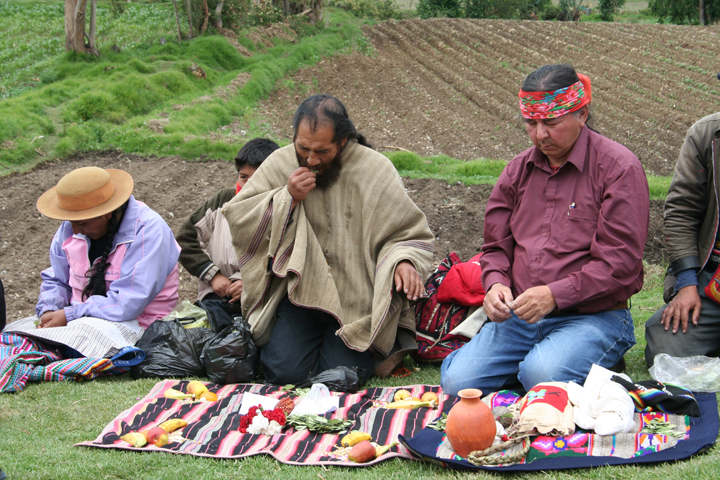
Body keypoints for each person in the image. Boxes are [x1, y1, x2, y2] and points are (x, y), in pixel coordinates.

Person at [441, 64, 650, 396]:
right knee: (457, 382)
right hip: (521, 317)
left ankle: (573, 361)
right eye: (531, 123)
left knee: (541, 373)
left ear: (581, 114)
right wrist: (494, 284)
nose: (540, 135)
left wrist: (554, 295)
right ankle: (566, 367)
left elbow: (620, 263)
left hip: (593, 317)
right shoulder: (516, 172)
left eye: (551, 123)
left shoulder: (618, 169)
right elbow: (496, 248)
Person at [222, 94, 434, 384]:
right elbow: (240, 215)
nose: (311, 159)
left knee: (339, 376)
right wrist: (287, 198)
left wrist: (403, 261)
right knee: (283, 373)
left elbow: (406, 230)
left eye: (322, 151)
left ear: (343, 141)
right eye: (303, 148)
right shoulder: (280, 163)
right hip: (301, 293)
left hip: (357, 298)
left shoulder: (375, 169)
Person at [35, 166, 180, 330]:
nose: (75, 230)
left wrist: (70, 315)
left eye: (82, 223)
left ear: (107, 213)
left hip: (143, 326)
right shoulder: (69, 228)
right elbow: (57, 279)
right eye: (71, 221)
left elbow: (129, 302)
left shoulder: (148, 230)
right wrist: (50, 308)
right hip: (80, 321)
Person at [645, 112, 720, 366]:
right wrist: (687, 284)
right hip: (713, 280)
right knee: (665, 346)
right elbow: (681, 212)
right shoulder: (706, 135)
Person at [176, 138, 280, 302]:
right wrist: (213, 275)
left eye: (257, 178)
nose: (248, 186)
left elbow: (285, 257)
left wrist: (248, 283)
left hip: (262, 301)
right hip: (215, 295)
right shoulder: (222, 202)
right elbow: (185, 238)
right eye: (243, 177)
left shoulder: (282, 208)